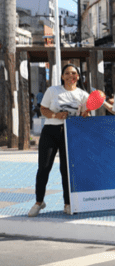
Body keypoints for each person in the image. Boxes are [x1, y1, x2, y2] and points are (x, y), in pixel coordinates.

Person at [28, 64, 91, 217]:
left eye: (74, 73)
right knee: (44, 167)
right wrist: (56, 116)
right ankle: (38, 201)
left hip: (70, 134)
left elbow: (85, 116)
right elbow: (43, 109)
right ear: (62, 76)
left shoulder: (83, 95)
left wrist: (85, 115)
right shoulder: (53, 91)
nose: (71, 76)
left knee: (66, 170)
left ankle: (68, 203)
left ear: (78, 77)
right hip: (50, 131)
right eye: (67, 73)